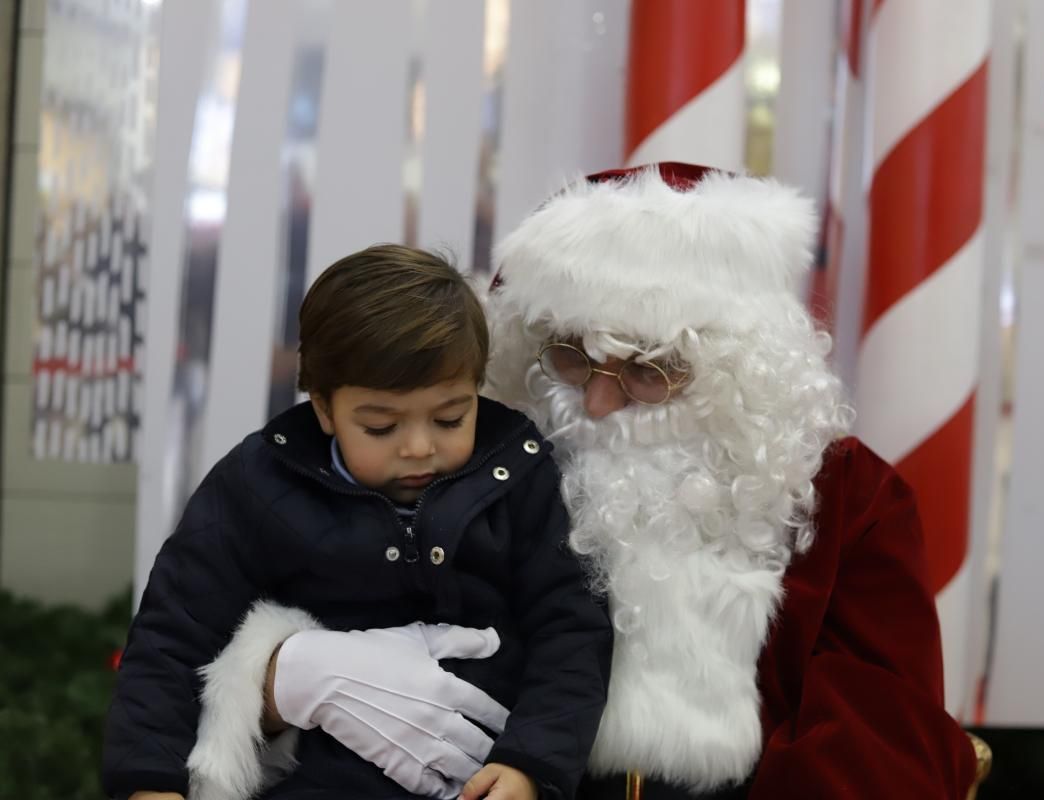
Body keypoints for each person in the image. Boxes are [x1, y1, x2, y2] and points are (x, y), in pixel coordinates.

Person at [192, 164, 981, 798]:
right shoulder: (438, 453)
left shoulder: (845, 499)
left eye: (649, 371)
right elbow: (178, 641)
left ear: (742, 372)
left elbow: (882, 756)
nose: (598, 403)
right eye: (569, 356)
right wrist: (281, 678)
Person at [101, 244, 613, 800]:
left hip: (483, 775)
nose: (419, 447)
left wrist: (531, 766)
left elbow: (570, 629)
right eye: (379, 427)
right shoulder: (259, 482)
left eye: (450, 417)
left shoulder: (519, 471)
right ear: (324, 408)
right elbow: (172, 637)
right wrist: (150, 784)